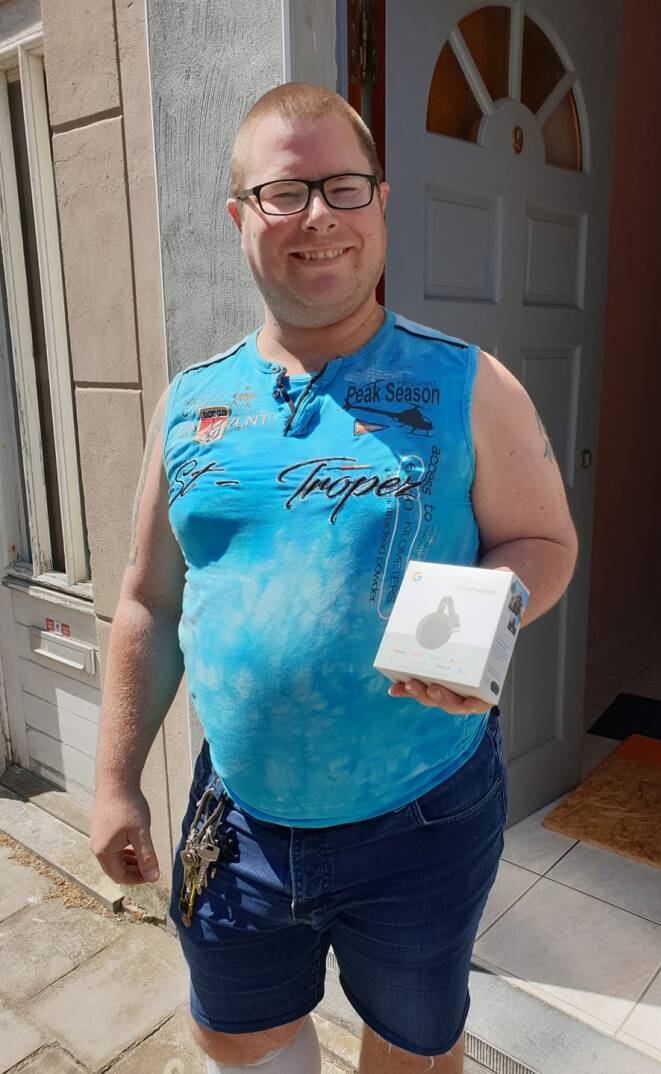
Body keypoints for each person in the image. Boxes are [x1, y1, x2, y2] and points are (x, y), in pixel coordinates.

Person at [90, 82, 578, 1074]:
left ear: (380, 204)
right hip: (235, 821)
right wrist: (113, 782)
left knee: (412, 1048)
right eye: (284, 192)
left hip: (423, 818)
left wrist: (478, 629)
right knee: (233, 1032)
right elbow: (148, 600)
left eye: (343, 187)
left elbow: (541, 541)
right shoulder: (191, 404)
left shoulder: (467, 383)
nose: (318, 215)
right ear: (239, 217)